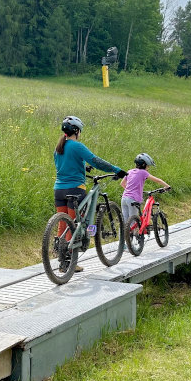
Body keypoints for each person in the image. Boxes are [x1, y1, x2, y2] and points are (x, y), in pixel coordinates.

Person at [53, 116, 126, 271]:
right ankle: (69, 262)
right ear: (76, 131)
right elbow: (96, 161)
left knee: (63, 224)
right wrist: (116, 170)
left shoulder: (58, 148)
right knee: (74, 225)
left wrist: (83, 167)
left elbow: (65, 166)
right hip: (75, 189)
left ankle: (61, 260)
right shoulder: (77, 146)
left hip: (59, 190)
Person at [120, 153, 170, 225]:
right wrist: (167, 186)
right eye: (148, 166)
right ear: (144, 165)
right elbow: (157, 180)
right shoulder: (143, 172)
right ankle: (132, 235)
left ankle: (123, 236)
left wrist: (129, 190)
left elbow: (122, 184)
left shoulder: (129, 171)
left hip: (124, 198)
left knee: (125, 221)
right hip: (133, 199)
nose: (148, 168)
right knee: (132, 222)